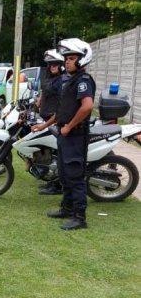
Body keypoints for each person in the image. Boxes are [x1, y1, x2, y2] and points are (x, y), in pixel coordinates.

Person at [46, 38, 95, 230]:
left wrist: (69, 126)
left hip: (75, 136)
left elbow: (87, 106)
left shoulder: (83, 81)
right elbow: (63, 110)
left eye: (71, 58)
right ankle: (67, 208)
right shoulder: (70, 81)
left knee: (75, 177)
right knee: (64, 175)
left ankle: (79, 217)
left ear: (82, 60)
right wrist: (45, 125)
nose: (67, 61)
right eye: (66, 58)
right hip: (64, 135)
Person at [32, 49, 66, 195]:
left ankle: (59, 185)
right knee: (51, 152)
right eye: (50, 64)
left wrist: (50, 122)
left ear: (61, 65)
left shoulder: (62, 81)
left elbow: (62, 106)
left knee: (59, 154)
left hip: (55, 119)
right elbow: (44, 93)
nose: (52, 67)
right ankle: (52, 180)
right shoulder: (50, 78)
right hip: (45, 116)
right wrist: (36, 104)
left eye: (55, 64)